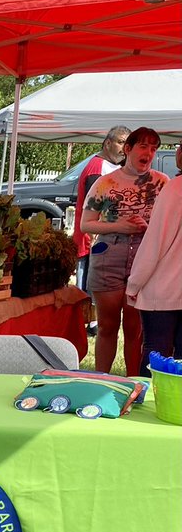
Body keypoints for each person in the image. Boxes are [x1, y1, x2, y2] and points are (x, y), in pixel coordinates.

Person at [79, 126, 169, 375]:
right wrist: (121, 225)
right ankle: (101, 380)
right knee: (107, 326)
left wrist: (147, 227)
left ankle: (133, 385)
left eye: (154, 148)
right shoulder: (104, 182)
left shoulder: (163, 183)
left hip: (145, 259)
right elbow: (86, 224)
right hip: (109, 254)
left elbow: (170, 225)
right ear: (128, 149)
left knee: (135, 328)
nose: (149, 153)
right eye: (143, 146)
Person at [126, 145, 182, 375]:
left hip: (164, 289)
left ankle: (146, 404)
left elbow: (155, 242)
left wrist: (134, 283)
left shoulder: (174, 189)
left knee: (155, 353)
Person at [75, 126, 131, 333]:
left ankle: (93, 321)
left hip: (100, 237)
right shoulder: (97, 168)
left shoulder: (109, 165)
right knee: (91, 282)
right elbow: (94, 209)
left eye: (128, 144)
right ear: (107, 143)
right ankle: (90, 322)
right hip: (92, 238)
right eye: (121, 142)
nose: (124, 149)